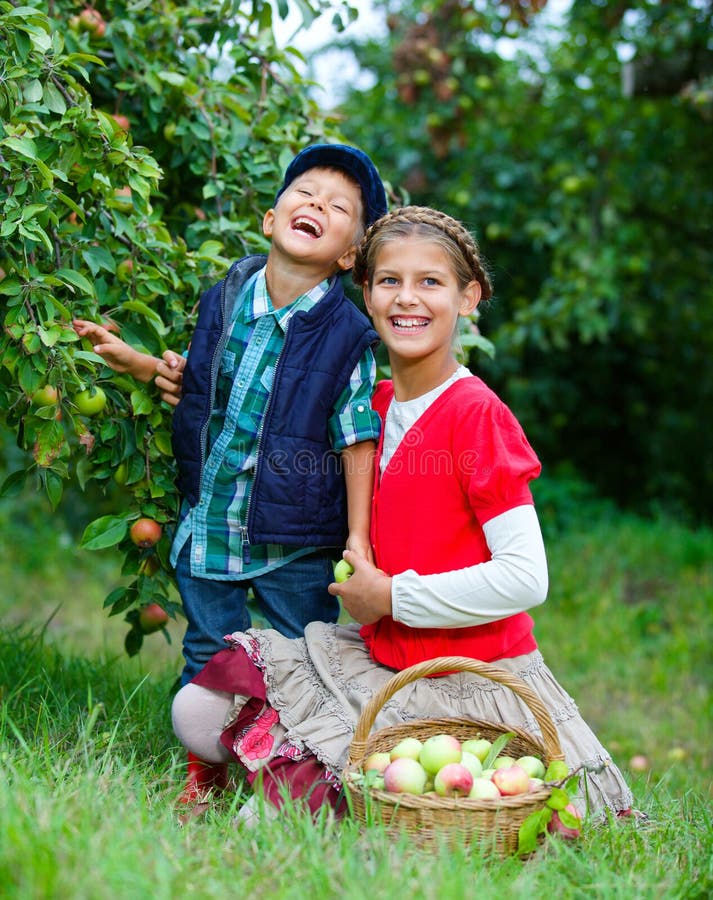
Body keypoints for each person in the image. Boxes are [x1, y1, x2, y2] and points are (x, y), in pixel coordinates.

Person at [169, 205, 635, 825]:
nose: (406, 299)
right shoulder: (372, 405)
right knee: (196, 710)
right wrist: (184, 380)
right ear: (364, 293)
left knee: (277, 819)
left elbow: (527, 578)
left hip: (471, 674)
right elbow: (265, 424)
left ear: (468, 297)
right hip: (384, 661)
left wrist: (390, 595)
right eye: (389, 280)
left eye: (430, 282)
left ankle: (325, 792)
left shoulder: (475, 416)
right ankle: (313, 777)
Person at [74, 144, 389, 803]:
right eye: (304, 194)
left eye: (339, 209)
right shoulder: (226, 296)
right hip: (213, 521)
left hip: (294, 537)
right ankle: (206, 775)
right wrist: (135, 362)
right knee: (209, 655)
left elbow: (358, 435)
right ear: (271, 219)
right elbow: (196, 381)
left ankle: (303, 773)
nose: (317, 207)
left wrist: (357, 540)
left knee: (303, 658)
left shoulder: (348, 334)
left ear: (347, 255)